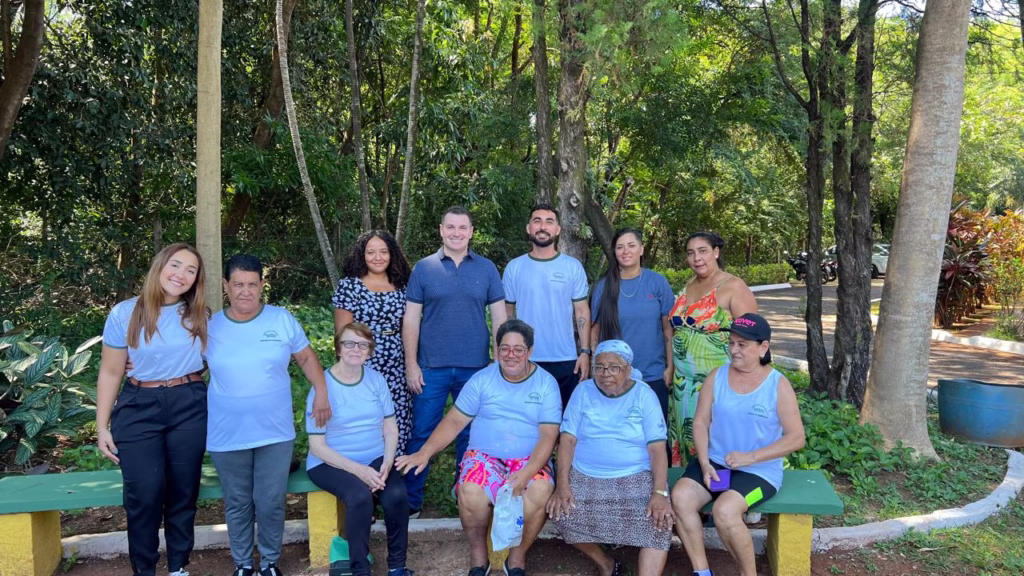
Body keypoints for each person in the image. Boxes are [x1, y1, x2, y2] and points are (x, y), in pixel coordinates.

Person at [397, 319, 560, 576]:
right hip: (485, 456)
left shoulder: (546, 383)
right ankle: (478, 555)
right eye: (504, 348)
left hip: (529, 458)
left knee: (540, 490)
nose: (511, 355)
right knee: (471, 490)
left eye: (518, 349)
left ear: (529, 351)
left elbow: (549, 436)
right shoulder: (482, 379)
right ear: (496, 350)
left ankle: (516, 558)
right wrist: (424, 452)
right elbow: (453, 421)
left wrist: (528, 472)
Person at [205, 253, 332, 576]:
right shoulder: (209, 326)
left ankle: (271, 562)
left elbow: (305, 358)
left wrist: (322, 392)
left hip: (275, 432)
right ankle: (243, 564)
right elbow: (185, 365)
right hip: (226, 433)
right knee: (237, 502)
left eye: (251, 284)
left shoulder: (281, 319)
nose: (245, 291)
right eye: (237, 285)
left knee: (271, 501)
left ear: (262, 285)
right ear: (225, 286)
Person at [95, 242, 210, 576]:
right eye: (176, 265)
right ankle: (144, 569)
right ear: (160, 266)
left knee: (183, 491)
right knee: (144, 493)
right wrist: (102, 427)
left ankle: (178, 566)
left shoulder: (200, 314)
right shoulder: (125, 312)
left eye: (191, 270)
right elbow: (111, 371)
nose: (182, 275)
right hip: (138, 406)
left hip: (188, 402)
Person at [671, 313, 805, 576]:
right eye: (731, 343)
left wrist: (751, 457)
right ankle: (702, 571)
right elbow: (700, 423)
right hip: (718, 467)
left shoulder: (777, 384)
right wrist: (705, 462)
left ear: (763, 347)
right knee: (681, 497)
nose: (734, 350)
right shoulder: (717, 376)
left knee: (725, 511)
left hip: (759, 474)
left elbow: (796, 438)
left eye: (742, 345)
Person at [402, 206, 508, 515]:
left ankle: (466, 496)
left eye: (463, 227)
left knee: (469, 435)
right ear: (441, 229)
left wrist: (500, 362)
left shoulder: (487, 268)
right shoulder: (423, 268)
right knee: (422, 432)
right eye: (451, 227)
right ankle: (411, 504)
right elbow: (411, 319)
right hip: (430, 368)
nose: (457, 233)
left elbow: (500, 317)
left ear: (472, 232)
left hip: (475, 369)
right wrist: (412, 364)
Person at [547, 340, 673, 576]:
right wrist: (561, 484)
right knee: (562, 513)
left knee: (658, 518)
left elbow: (657, 448)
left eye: (614, 367)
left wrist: (659, 492)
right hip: (586, 472)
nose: (605, 374)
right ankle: (606, 563)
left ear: (628, 370)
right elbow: (567, 440)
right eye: (600, 367)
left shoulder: (644, 395)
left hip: (637, 473)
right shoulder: (583, 391)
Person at [306, 322, 412, 576]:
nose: (356, 349)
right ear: (339, 349)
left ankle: (397, 566)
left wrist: (387, 462)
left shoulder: (376, 381)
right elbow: (317, 446)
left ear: (370, 351)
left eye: (363, 345)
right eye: (349, 343)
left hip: (375, 457)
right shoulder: (323, 387)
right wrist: (359, 471)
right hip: (329, 462)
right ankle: (359, 568)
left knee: (397, 495)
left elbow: (390, 428)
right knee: (360, 497)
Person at [669, 232, 757, 466]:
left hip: (719, 383)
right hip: (683, 385)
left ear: (716, 252)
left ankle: (721, 493)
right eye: (690, 253)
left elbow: (753, 337)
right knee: (688, 442)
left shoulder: (734, 286)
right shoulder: (688, 285)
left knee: (716, 443)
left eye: (703, 251)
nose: (696, 258)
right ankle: (689, 494)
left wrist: (748, 380)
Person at [333, 230, 414, 455]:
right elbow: (342, 334)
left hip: (397, 368)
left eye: (383, 252)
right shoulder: (350, 286)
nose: (377, 257)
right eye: (371, 252)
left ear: (392, 254)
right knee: (366, 419)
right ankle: (363, 477)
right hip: (363, 365)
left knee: (396, 419)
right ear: (362, 255)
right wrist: (348, 369)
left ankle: (391, 477)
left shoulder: (404, 285)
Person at [503, 202, 591, 408]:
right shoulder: (514, 267)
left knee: (564, 426)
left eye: (549, 221)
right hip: (524, 357)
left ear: (558, 229)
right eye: (537, 221)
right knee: (526, 423)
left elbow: (582, 311)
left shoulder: (572, 267)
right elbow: (506, 316)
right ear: (529, 228)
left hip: (565, 359)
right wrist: (504, 353)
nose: (543, 226)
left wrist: (585, 352)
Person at [589, 228, 674, 434]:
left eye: (631, 245)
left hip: (653, 374)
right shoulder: (604, 286)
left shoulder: (657, 282)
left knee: (655, 435)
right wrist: (597, 366)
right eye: (620, 247)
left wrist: (670, 367)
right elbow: (595, 331)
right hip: (614, 377)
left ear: (641, 249)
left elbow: (668, 330)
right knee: (619, 435)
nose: (625, 251)